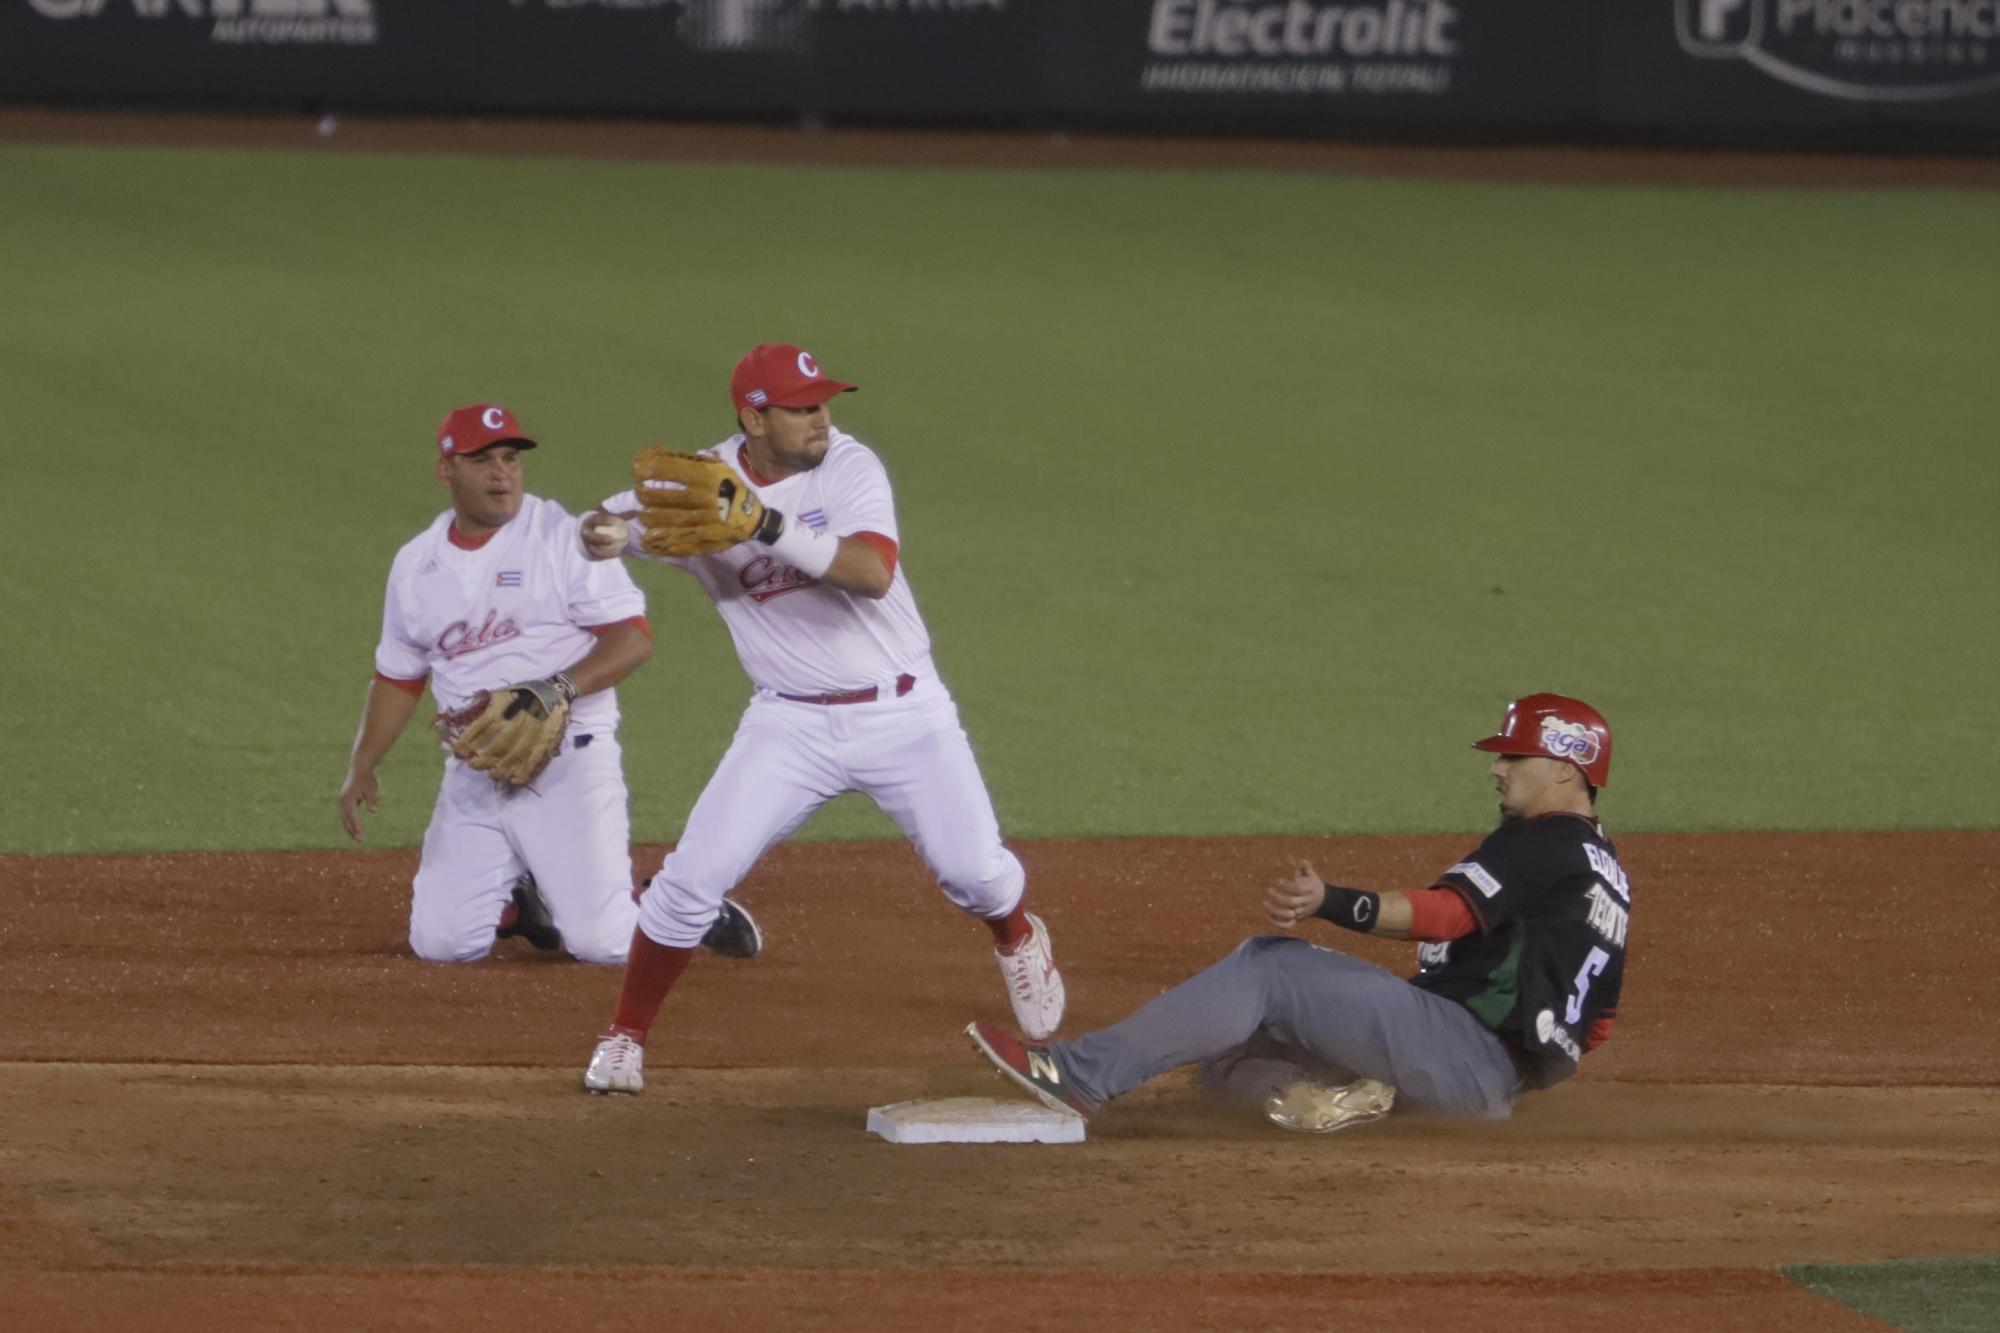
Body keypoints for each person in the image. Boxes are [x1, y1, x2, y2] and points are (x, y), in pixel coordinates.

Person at [575, 343, 1065, 1094]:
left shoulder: (850, 465)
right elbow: (607, 523)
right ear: (754, 417)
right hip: (789, 726)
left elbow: (871, 574)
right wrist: (603, 535)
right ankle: (624, 1037)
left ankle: (1017, 933)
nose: (822, 418)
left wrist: (761, 524)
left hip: (906, 713)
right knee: (689, 880)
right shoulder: (705, 481)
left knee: (977, 875)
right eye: (803, 407)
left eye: (823, 401)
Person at [967, 693, 1629, 1133]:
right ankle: (1335, 1102)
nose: (1499, 767)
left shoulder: (1546, 841)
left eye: (1516, 754)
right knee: (1224, 1056)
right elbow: (1596, 1026)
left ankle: (1075, 1075)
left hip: (1458, 1052)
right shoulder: (1608, 878)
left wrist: (1332, 902)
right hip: (1483, 1087)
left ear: (1569, 770)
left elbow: (1448, 915)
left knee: (1269, 967)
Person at [336, 403, 659, 965]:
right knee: (441, 945)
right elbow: (398, 674)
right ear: (446, 470)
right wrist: (362, 763)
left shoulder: (563, 535)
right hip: (476, 771)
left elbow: (632, 639)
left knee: (604, 944)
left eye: (510, 459)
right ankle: (520, 891)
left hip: (570, 761)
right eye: (482, 460)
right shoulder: (416, 564)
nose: (501, 473)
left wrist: (556, 689)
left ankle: (681, 906)